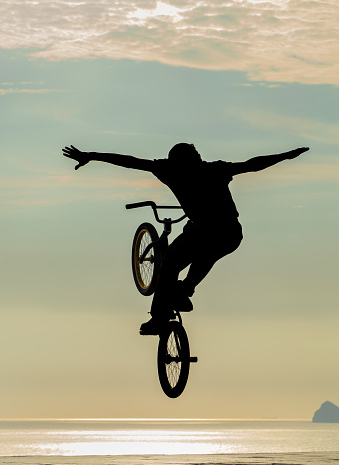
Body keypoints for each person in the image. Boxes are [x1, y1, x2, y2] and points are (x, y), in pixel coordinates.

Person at [63, 143, 309, 335]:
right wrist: (286, 155)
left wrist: (91, 155)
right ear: (197, 158)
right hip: (227, 232)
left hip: (212, 231)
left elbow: (130, 162)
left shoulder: (170, 169)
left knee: (173, 263)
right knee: (203, 255)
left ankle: (161, 314)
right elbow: (252, 165)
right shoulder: (213, 169)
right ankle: (184, 290)